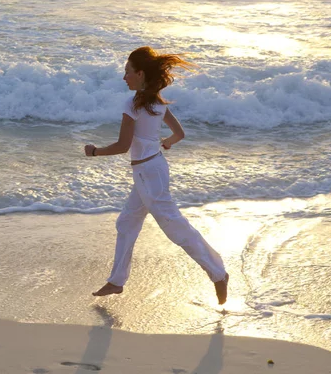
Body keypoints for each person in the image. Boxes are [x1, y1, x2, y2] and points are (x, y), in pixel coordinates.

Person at [84, 46, 229, 305]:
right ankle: (117, 281)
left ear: (140, 74)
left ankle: (218, 273)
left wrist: (94, 152)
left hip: (147, 174)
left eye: (127, 72)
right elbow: (179, 134)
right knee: (127, 223)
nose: (124, 77)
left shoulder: (132, 104)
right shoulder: (157, 102)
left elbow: (122, 146)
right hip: (153, 169)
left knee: (174, 227)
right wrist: (167, 143)